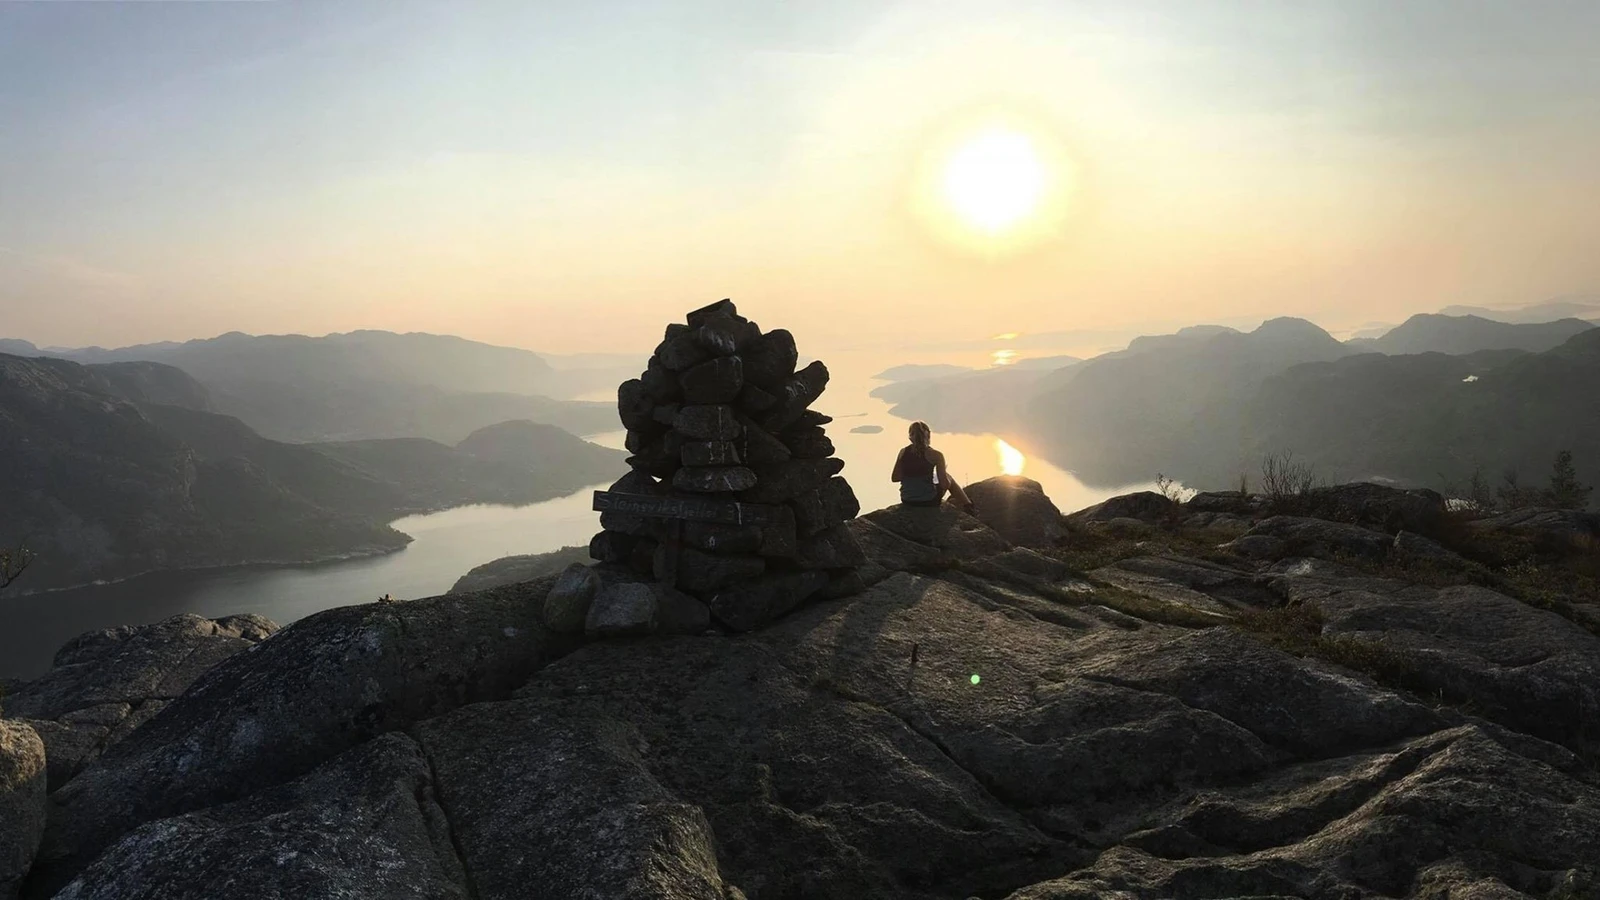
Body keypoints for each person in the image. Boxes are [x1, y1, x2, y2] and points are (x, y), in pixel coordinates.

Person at [891, 421, 976, 513]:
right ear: (928, 435)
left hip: (907, 500)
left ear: (910, 437)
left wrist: (911, 471)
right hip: (928, 501)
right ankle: (968, 506)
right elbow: (944, 484)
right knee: (948, 477)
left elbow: (895, 478)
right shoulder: (936, 455)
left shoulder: (903, 452)